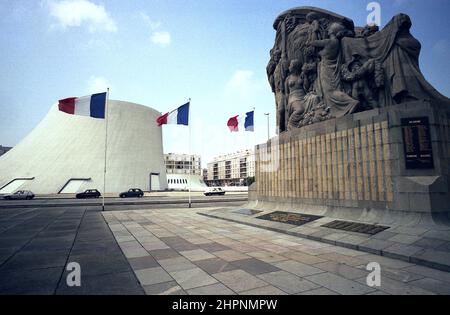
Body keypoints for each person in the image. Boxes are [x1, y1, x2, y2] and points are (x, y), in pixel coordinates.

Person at [310, 22, 359, 118]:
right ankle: (342, 109)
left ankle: (351, 103)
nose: (327, 30)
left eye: (329, 29)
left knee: (330, 92)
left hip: (328, 69)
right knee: (330, 92)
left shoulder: (330, 42)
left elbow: (313, 42)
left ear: (332, 31)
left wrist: (315, 29)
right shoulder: (336, 43)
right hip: (330, 68)